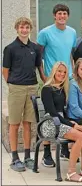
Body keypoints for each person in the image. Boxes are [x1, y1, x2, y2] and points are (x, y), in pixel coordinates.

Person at [2, 17, 46, 172]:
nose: (24, 30)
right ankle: (15, 158)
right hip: (16, 89)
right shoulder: (10, 48)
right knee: (14, 123)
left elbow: (39, 68)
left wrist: (46, 82)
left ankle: (27, 156)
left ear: (30, 29)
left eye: (27, 27)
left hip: (32, 88)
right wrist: (13, 85)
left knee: (28, 123)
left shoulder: (35, 48)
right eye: (21, 27)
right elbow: (5, 71)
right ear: (17, 29)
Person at [37, 4, 77, 165]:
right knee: (48, 114)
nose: (62, 16)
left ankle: (65, 150)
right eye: (59, 13)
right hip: (51, 79)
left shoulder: (72, 32)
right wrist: (44, 77)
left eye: (64, 13)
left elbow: (71, 55)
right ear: (54, 16)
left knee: (66, 111)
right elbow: (38, 58)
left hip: (67, 79)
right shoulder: (45, 33)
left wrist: (72, 74)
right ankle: (47, 154)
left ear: (67, 16)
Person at [41, 62, 82, 182]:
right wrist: (72, 124)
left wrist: (72, 122)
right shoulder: (47, 89)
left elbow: (63, 111)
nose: (62, 74)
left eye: (64, 72)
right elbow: (53, 113)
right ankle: (71, 172)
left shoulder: (62, 88)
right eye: (59, 71)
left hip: (61, 121)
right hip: (51, 122)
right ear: (54, 72)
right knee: (81, 137)